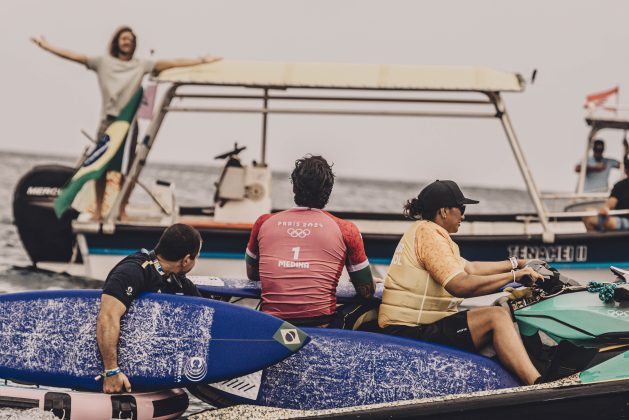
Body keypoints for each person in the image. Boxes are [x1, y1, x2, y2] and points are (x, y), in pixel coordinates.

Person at [31, 27, 222, 219]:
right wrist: (46, 46)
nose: (127, 42)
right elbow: (74, 56)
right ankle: (98, 210)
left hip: (129, 125)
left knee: (126, 169)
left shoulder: (141, 64)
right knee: (101, 168)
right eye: (123, 38)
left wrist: (202, 60)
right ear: (116, 41)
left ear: (134, 44)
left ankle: (121, 208)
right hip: (108, 122)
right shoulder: (103, 62)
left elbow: (172, 63)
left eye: (130, 39)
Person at [377, 180, 545, 385]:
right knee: (495, 317)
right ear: (444, 211)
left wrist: (517, 263)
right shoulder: (429, 235)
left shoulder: (430, 233)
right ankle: (537, 384)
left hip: (416, 326)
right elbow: (460, 284)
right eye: (461, 208)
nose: (464, 216)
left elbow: (471, 268)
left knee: (502, 307)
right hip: (410, 332)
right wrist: (514, 277)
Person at [245, 155, 376, 327]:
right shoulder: (346, 230)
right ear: (329, 191)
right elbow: (366, 292)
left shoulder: (263, 223)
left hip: (272, 326)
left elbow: (252, 274)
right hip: (321, 326)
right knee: (372, 309)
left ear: (294, 188)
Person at [96, 223, 202, 393]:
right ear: (187, 260)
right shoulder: (132, 271)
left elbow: (206, 313)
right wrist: (111, 371)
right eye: (197, 257)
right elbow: (107, 317)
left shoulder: (177, 281)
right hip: (112, 366)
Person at [584, 154, 629, 231]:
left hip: (621, 222)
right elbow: (611, 202)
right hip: (619, 220)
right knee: (588, 212)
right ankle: (596, 240)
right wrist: (605, 208)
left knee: (612, 223)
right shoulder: (619, 186)